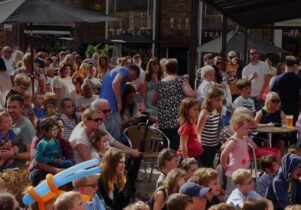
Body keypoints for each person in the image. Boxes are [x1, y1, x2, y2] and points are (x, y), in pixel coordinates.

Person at [157, 58, 196, 151]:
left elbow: (154, 101)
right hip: (176, 118)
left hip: (163, 119)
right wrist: (196, 92)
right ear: (177, 68)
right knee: (176, 146)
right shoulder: (181, 80)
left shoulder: (160, 83)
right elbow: (190, 93)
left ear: (165, 69)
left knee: (166, 146)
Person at [221, 108, 257, 195]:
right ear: (236, 128)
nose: (248, 130)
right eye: (245, 128)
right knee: (231, 193)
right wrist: (225, 165)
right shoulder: (234, 141)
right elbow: (224, 154)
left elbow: (254, 147)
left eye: (248, 128)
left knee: (243, 193)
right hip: (233, 173)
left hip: (242, 172)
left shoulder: (243, 138)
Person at [29, 116, 74, 186]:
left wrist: (60, 159)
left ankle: (69, 187)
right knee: (68, 164)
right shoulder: (42, 143)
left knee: (72, 162)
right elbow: (37, 158)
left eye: (57, 128)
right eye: (53, 129)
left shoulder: (56, 140)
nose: (57, 131)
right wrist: (52, 160)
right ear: (45, 131)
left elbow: (60, 153)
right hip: (47, 164)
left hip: (56, 163)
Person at [100, 64, 140, 140]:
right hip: (112, 110)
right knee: (113, 139)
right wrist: (119, 102)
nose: (131, 81)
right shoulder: (124, 71)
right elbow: (115, 83)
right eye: (133, 78)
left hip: (105, 109)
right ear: (134, 73)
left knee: (106, 138)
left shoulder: (112, 72)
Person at [5, 94, 35, 167]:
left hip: (17, 169)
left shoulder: (26, 126)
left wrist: (12, 155)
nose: (10, 110)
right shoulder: (5, 122)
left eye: (14, 107)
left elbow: (32, 154)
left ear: (21, 108)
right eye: (8, 107)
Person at [197, 88, 224, 167]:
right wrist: (199, 145)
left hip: (213, 145)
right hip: (205, 146)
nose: (220, 103)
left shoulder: (216, 111)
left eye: (221, 100)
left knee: (210, 165)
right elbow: (198, 131)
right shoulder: (205, 112)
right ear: (210, 99)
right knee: (205, 166)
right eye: (218, 100)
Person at [270, 55, 301, 125]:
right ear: (295, 65)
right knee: (292, 127)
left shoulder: (278, 78)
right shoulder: (298, 78)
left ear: (285, 64)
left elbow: (271, 93)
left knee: (282, 126)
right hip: (294, 106)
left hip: (282, 105)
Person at [178, 97, 202, 164]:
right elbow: (183, 145)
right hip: (189, 157)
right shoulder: (186, 126)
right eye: (195, 109)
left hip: (196, 156)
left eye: (198, 109)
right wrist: (187, 161)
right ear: (186, 110)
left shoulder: (192, 123)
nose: (198, 112)